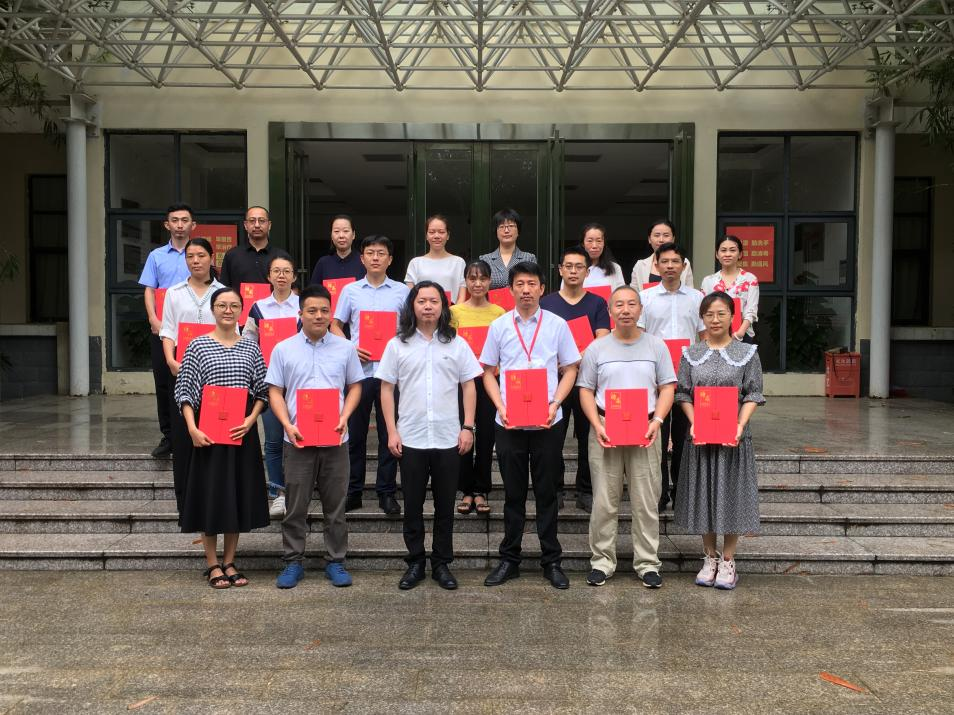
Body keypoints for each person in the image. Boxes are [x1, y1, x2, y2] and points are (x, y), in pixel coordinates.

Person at [479, 261, 581, 590]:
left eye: (532, 284)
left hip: (547, 421)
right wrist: (500, 406)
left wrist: (555, 404)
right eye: (520, 284)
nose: (526, 290)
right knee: (513, 494)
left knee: (547, 493)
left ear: (542, 289)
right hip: (509, 422)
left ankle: (552, 561)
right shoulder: (499, 326)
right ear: (510, 289)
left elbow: (570, 368)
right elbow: (487, 371)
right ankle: (509, 559)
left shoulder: (557, 325)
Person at [377, 282, 482, 591]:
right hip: (411, 437)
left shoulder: (457, 344)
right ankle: (415, 563)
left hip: (449, 437)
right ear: (412, 305)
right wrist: (392, 430)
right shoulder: (397, 344)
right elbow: (386, 389)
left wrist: (468, 427)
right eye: (421, 300)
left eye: (433, 301)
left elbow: (469, 386)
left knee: (445, 506)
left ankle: (441, 563)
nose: (427, 306)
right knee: (412, 505)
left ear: (443, 307)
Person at [266, 284, 365, 590]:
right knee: (295, 506)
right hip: (297, 440)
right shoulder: (283, 349)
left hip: (335, 440)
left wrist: (345, 416)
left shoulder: (345, 348)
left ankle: (335, 561)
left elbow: (356, 386)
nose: (319, 315)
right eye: (312, 310)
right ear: (301, 313)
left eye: (324, 310)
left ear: (331, 313)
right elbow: (275, 391)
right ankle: (293, 561)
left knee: (335, 507)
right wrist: (287, 424)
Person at [577, 286, 677, 589]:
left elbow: (667, 387)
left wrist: (658, 421)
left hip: (645, 428)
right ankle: (602, 562)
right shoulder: (597, 348)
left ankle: (647, 563)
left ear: (640, 310)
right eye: (619, 305)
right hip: (606, 427)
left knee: (646, 501)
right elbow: (586, 390)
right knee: (604, 501)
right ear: (610, 311)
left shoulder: (656, 346)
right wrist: (596, 424)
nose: (625, 310)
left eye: (632, 304)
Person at [174, 287, 270, 589]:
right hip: (208, 432)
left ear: (241, 310)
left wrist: (251, 420)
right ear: (213, 310)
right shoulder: (197, 346)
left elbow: (262, 389)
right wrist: (192, 429)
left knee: (236, 494)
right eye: (222, 305)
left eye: (234, 306)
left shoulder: (251, 347)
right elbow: (185, 390)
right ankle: (212, 564)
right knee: (211, 495)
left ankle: (230, 561)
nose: (228, 310)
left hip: (241, 431)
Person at [674, 291, 765, 590]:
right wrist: (695, 422)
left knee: (731, 494)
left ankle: (728, 560)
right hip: (701, 437)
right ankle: (709, 557)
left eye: (721, 313)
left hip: (733, 438)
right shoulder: (690, 353)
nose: (715, 319)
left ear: (732, 316)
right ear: (702, 317)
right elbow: (683, 393)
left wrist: (739, 425)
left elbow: (753, 393)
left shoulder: (747, 353)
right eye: (709, 314)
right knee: (705, 494)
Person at [331, 235, 410, 515]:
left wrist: (397, 346)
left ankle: (386, 492)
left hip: (392, 374)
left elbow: (409, 328)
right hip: (359, 373)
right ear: (362, 258)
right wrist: (350, 347)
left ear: (390, 259)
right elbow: (335, 325)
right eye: (370, 253)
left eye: (381, 253)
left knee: (390, 433)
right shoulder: (350, 291)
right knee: (355, 434)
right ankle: (353, 491)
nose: (375, 257)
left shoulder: (402, 292)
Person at [158, 238, 226, 519]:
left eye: (200, 255)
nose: (195, 261)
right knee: (184, 436)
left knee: (214, 435)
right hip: (183, 371)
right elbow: (168, 331)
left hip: (217, 374)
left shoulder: (223, 293)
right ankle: (184, 500)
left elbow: (232, 330)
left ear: (212, 258)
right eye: (190, 256)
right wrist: (171, 360)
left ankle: (213, 498)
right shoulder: (174, 293)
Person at [540, 245, 611, 512]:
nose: (573, 271)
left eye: (579, 267)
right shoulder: (547, 303)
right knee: (553, 438)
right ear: (560, 270)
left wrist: (572, 360)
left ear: (587, 271)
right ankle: (555, 489)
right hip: (554, 381)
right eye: (568, 266)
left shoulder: (597, 302)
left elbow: (602, 339)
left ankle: (586, 490)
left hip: (587, 382)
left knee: (587, 437)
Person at [638, 242, 705, 513]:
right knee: (656, 437)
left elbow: (704, 338)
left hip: (689, 376)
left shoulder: (697, 298)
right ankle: (659, 492)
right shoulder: (645, 298)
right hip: (655, 378)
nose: (669, 266)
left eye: (675, 261)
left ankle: (681, 493)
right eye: (664, 262)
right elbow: (640, 337)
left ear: (684, 265)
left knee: (684, 437)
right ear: (656, 265)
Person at [242, 254, 300, 518]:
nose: (281, 275)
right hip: (270, 382)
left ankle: (300, 490)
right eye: (276, 271)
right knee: (274, 440)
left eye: (286, 271)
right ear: (268, 276)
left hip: (299, 383)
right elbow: (248, 342)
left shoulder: (302, 306)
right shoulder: (258, 308)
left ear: (294, 276)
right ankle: (278, 492)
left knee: (301, 439)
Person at [450, 260, 505, 515]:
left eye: (482, 278)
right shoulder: (454, 312)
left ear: (490, 281)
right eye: (472, 279)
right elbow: (449, 346)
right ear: (466, 282)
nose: (478, 283)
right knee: (463, 433)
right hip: (462, 383)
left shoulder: (499, 312)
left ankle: (481, 490)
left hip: (490, 381)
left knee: (486, 436)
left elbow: (504, 348)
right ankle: (465, 490)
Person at [138, 203, 194, 458]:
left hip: (193, 330)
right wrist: (153, 318)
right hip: (163, 330)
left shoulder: (198, 253)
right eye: (175, 220)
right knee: (163, 382)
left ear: (193, 225)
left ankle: (192, 431)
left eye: (185, 220)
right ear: (167, 224)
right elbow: (149, 289)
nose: (180, 225)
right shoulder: (156, 256)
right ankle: (169, 436)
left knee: (195, 380)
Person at [699, 235, 760, 343]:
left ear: (740, 254)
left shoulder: (750, 279)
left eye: (732, 250)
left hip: (742, 336)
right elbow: (704, 310)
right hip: (715, 336)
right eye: (723, 250)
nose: (727, 254)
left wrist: (739, 334)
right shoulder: (708, 281)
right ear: (717, 254)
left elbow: (751, 310)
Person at [220, 206, 291, 286]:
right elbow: (223, 288)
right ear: (245, 225)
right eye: (252, 221)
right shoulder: (232, 255)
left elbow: (292, 288)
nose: (257, 225)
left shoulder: (281, 256)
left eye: (261, 221)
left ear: (269, 225)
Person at [404, 215, 467, 304]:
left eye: (441, 232)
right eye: (432, 232)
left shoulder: (458, 262)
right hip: (423, 311)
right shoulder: (415, 263)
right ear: (426, 235)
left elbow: (462, 297)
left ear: (448, 235)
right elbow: (410, 297)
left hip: (452, 311)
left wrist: (452, 312)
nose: (436, 236)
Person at [479, 208, 537, 289]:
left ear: (518, 231)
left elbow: (533, 287)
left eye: (511, 226)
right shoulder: (485, 259)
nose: (506, 230)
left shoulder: (529, 258)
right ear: (496, 232)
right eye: (502, 226)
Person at [630, 219, 694, 289]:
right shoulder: (640, 265)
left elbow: (689, 291)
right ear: (649, 239)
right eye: (657, 235)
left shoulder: (684, 262)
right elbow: (634, 293)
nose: (661, 240)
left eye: (666, 235)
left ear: (673, 239)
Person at [309, 214, 366, 285]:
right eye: (336, 231)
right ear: (331, 235)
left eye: (346, 231)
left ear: (353, 235)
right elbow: (313, 290)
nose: (341, 236)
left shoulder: (364, 261)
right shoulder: (323, 263)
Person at [580, 223, 626, 289]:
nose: (594, 246)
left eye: (599, 241)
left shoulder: (615, 268)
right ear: (583, 244)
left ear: (604, 243)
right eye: (590, 241)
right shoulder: (574, 269)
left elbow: (621, 293)